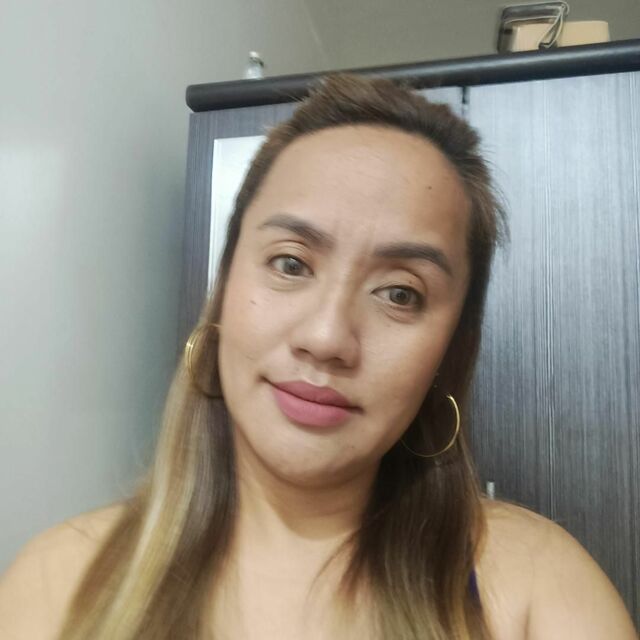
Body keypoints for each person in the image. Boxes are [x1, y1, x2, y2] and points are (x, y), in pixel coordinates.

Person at [0, 73, 636, 640]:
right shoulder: (60, 582)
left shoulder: (536, 588)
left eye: (400, 293)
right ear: (223, 289)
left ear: (450, 351)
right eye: (290, 263)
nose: (328, 337)